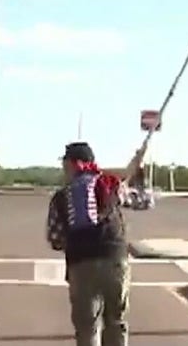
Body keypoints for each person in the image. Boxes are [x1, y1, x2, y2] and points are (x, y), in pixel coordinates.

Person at [46, 142, 131, 346]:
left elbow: (55, 239)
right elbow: (142, 201)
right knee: (116, 321)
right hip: (114, 258)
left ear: (74, 165)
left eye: (66, 164)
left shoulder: (61, 197)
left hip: (81, 262)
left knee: (87, 327)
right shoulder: (111, 185)